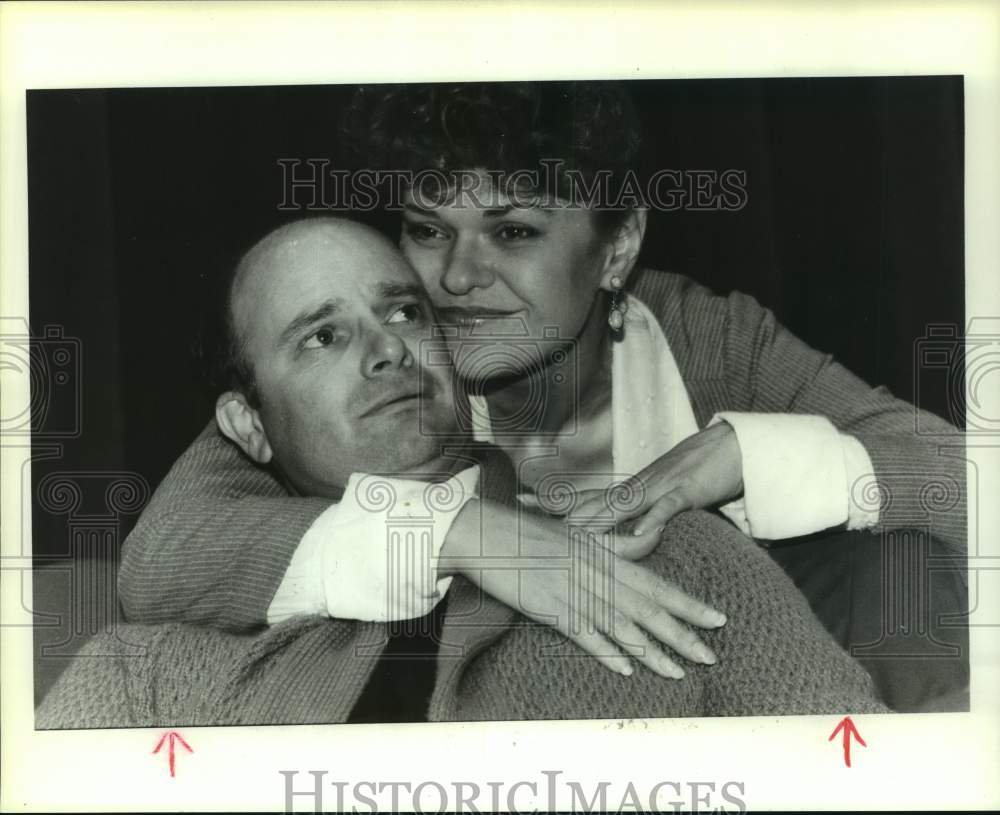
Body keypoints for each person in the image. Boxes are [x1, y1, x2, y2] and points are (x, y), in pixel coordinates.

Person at [117, 81, 967, 711]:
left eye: (513, 233)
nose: (454, 277)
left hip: (724, 666)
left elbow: (961, 476)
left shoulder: (708, 337)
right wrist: (458, 529)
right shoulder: (394, 352)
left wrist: (741, 453)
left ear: (617, 245)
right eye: (426, 229)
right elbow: (163, 555)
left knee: (905, 572)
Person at [37, 216, 889, 728]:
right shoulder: (143, 674)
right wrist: (448, 529)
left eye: (403, 312)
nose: (385, 351)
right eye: (322, 336)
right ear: (246, 427)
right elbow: (156, 562)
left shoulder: (680, 568)